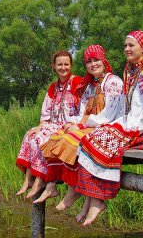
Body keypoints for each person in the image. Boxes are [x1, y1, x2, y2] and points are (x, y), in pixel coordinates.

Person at [74, 30, 143, 226]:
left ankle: (98, 200)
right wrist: (119, 124)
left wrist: (125, 128)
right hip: (134, 124)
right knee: (89, 139)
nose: (126, 49)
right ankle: (93, 199)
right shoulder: (133, 70)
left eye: (131, 45)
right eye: (125, 45)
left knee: (101, 142)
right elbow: (131, 109)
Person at [33, 45, 125, 207]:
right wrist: (72, 123)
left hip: (109, 126)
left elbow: (109, 115)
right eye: (88, 62)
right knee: (57, 136)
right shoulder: (90, 86)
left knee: (71, 141)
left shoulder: (113, 82)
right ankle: (52, 185)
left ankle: (72, 191)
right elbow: (82, 112)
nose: (92, 64)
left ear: (104, 61)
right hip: (92, 125)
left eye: (96, 60)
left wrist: (80, 127)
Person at [15, 51, 83, 198]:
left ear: (71, 65)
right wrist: (41, 125)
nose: (63, 67)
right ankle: (28, 180)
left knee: (41, 137)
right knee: (30, 135)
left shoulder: (77, 82)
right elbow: (46, 109)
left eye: (66, 64)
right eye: (59, 64)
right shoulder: (53, 86)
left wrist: (76, 123)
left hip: (69, 125)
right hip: (53, 123)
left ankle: (41, 180)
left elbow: (85, 106)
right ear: (54, 66)